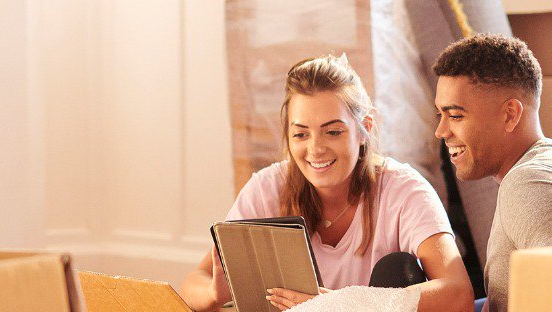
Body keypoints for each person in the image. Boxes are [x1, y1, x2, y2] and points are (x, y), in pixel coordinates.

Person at [178, 54, 474, 312]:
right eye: (301, 134)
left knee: (398, 268)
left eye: (332, 132)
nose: (316, 149)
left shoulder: (404, 190)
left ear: (364, 130)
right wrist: (215, 295)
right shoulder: (267, 187)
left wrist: (343, 304)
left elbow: (458, 294)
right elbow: (194, 282)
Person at [430, 34, 552, 312]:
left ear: (510, 114)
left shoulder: (532, 184)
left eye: (455, 116)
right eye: (440, 114)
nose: (441, 131)